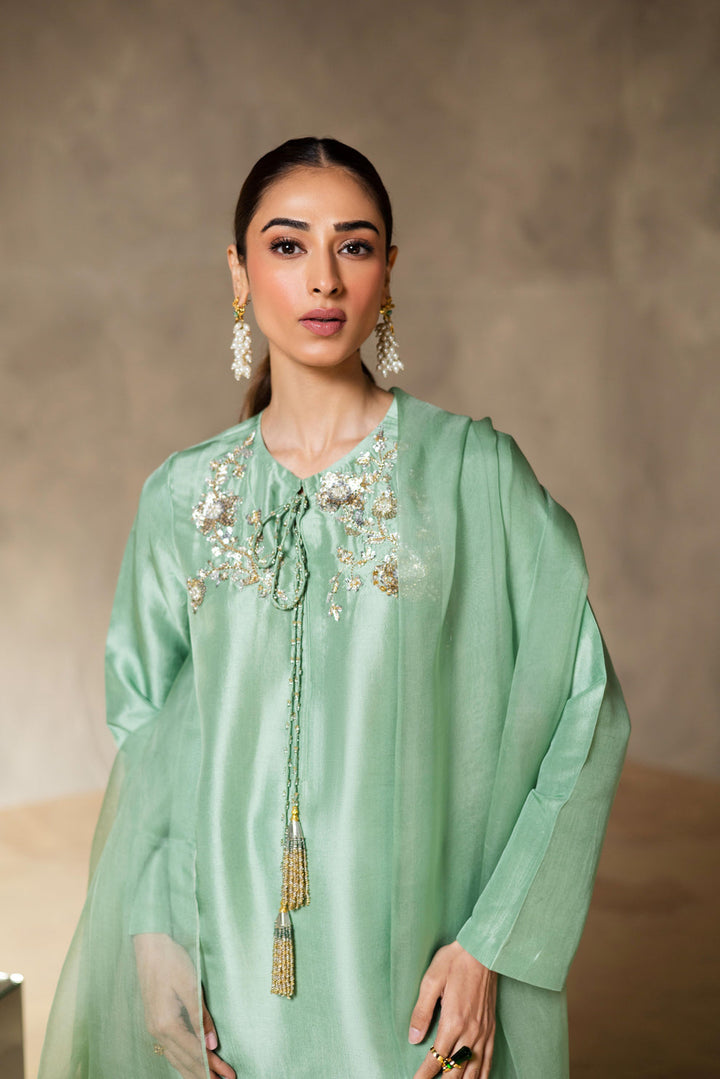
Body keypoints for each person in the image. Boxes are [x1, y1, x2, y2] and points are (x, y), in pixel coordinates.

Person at [38, 136, 630, 1079]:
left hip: (413, 970)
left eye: (353, 246)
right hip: (225, 962)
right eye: (287, 245)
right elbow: (146, 733)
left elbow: (584, 707)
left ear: (387, 270)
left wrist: (492, 944)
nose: (323, 277)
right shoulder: (184, 496)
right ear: (238, 271)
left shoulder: (472, 475)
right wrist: (154, 933)